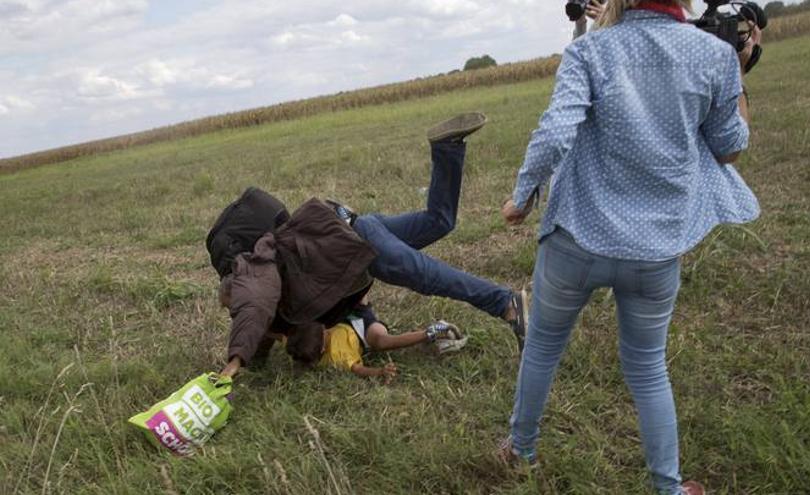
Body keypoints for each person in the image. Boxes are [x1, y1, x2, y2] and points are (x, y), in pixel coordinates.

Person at [498, 0, 762, 493]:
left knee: (543, 349)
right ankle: (668, 487)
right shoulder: (714, 54)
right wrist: (739, 72)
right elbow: (730, 148)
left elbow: (555, 132)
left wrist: (522, 196)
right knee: (647, 368)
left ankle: (521, 449)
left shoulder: (589, 51)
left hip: (576, 239)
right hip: (656, 251)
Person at [218, 113, 527, 378]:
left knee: (421, 273)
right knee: (438, 221)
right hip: (355, 226)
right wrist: (251, 361)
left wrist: (232, 363)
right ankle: (447, 148)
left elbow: (253, 305)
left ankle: (505, 303)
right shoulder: (276, 277)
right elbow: (260, 325)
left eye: (230, 306)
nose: (231, 311)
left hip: (358, 243)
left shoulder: (252, 271)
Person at [314, 300, 466, 380]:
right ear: (322, 348)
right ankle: (435, 330)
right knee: (382, 341)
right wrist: (380, 372)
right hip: (362, 331)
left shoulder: (299, 341)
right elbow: (359, 370)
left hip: (334, 313)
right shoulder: (337, 357)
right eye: (324, 334)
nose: (326, 333)